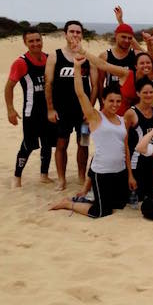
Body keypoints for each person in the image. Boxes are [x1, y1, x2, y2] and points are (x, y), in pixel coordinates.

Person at [49, 57, 134, 218]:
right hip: (102, 172)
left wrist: (130, 174)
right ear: (103, 100)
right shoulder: (96, 117)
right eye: (111, 101)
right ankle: (68, 203)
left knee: (120, 204)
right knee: (101, 212)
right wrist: (77, 68)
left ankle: (87, 196)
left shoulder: (122, 120)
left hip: (120, 172)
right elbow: (80, 94)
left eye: (118, 101)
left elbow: (125, 149)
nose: (115, 104)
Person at [45, 21, 98, 190]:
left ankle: (82, 176)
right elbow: (48, 84)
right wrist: (50, 109)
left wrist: (90, 109)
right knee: (61, 145)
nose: (75, 34)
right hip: (62, 111)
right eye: (72, 31)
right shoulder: (55, 56)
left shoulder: (88, 58)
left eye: (78, 32)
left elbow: (95, 86)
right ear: (65, 34)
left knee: (84, 143)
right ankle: (62, 179)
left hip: (83, 112)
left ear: (82, 35)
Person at [5, 28, 56, 187]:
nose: (35, 44)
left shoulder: (49, 59)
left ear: (42, 40)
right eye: (31, 41)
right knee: (27, 145)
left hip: (48, 110)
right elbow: (9, 87)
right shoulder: (21, 62)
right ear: (25, 43)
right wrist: (10, 109)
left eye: (37, 40)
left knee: (47, 144)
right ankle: (17, 177)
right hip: (31, 111)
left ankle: (44, 175)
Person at [71, 43, 153, 116]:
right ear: (136, 66)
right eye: (142, 63)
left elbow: (151, 107)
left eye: (148, 63)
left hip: (130, 121)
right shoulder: (126, 74)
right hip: (112, 117)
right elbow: (103, 65)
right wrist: (83, 52)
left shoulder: (149, 82)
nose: (146, 65)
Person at [123, 77, 153, 201]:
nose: (148, 95)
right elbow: (124, 144)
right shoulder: (131, 113)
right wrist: (130, 175)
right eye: (145, 92)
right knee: (136, 199)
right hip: (136, 163)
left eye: (151, 92)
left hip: (150, 164)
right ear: (138, 93)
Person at [97, 12, 138, 100]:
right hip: (112, 102)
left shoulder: (135, 54)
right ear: (116, 36)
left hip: (130, 102)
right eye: (123, 37)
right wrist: (101, 102)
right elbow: (100, 82)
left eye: (130, 38)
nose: (127, 40)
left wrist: (120, 21)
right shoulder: (105, 56)